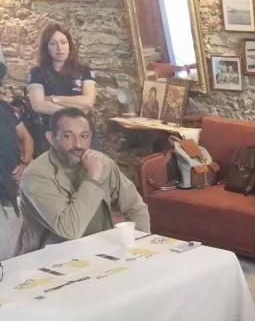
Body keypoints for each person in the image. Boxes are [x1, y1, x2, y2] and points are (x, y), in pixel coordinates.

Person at [15, 107, 149, 256]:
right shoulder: (36, 174)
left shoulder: (102, 163)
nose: (78, 145)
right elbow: (70, 230)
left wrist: (138, 242)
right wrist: (93, 177)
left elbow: (135, 206)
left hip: (99, 251)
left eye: (84, 136)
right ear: (51, 138)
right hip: (46, 260)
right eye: (68, 136)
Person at [27, 23, 96, 154]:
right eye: (53, 44)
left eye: (63, 42)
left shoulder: (85, 71)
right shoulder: (37, 73)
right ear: (46, 48)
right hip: (52, 134)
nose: (59, 48)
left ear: (69, 44)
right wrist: (74, 112)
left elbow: (88, 102)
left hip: (82, 133)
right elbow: (38, 105)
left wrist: (54, 99)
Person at [0, 61, 35, 260]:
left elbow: (26, 138)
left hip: (9, 188)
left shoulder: (7, 109)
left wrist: (24, 163)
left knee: (12, 247)